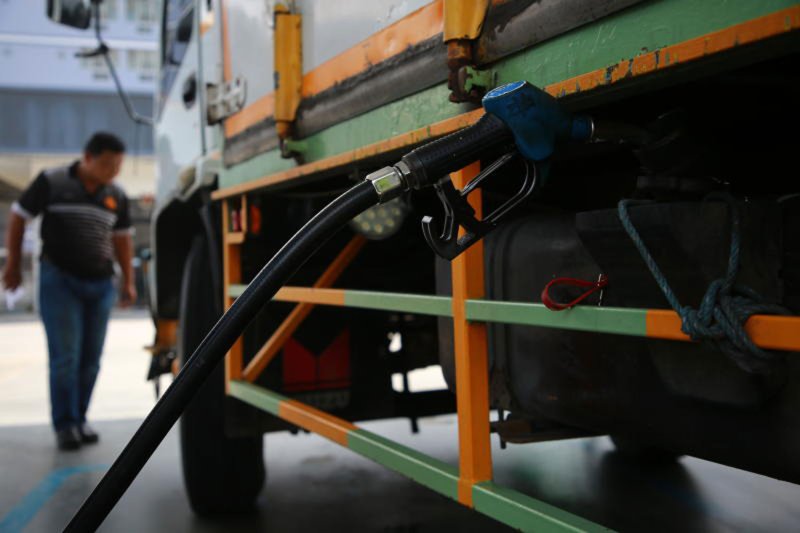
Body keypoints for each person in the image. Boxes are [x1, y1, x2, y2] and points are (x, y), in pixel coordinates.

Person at [2, 132, 137, 451]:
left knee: (91, 359)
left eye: (117, 165)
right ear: (87, 158)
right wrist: (13, 265)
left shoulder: (116, 194)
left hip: (100, 285)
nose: (112, 171)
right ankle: (65, 424)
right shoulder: (52, 182)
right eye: (106, 164)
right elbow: (19, 217)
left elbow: (122, 240)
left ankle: (79, 418)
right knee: (65, 357)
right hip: (60, 281)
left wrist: (128, 281)